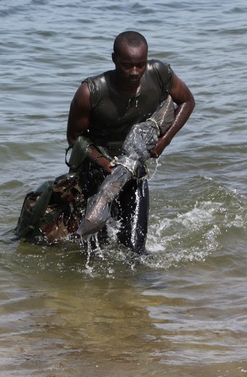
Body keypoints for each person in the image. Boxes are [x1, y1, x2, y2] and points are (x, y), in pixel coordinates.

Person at [65, 31, 195, 252]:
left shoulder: (160, 73)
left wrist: (164, 141)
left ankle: (137, 285)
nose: (134, 72)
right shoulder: (90, 91)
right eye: (127, 65)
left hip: (133, 172)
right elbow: (75, 137)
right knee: (96, 250)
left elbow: (187, 101)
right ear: (114, 59)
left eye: (140, 65)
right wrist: (104, 164)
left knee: (135, 249)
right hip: (95, 175)